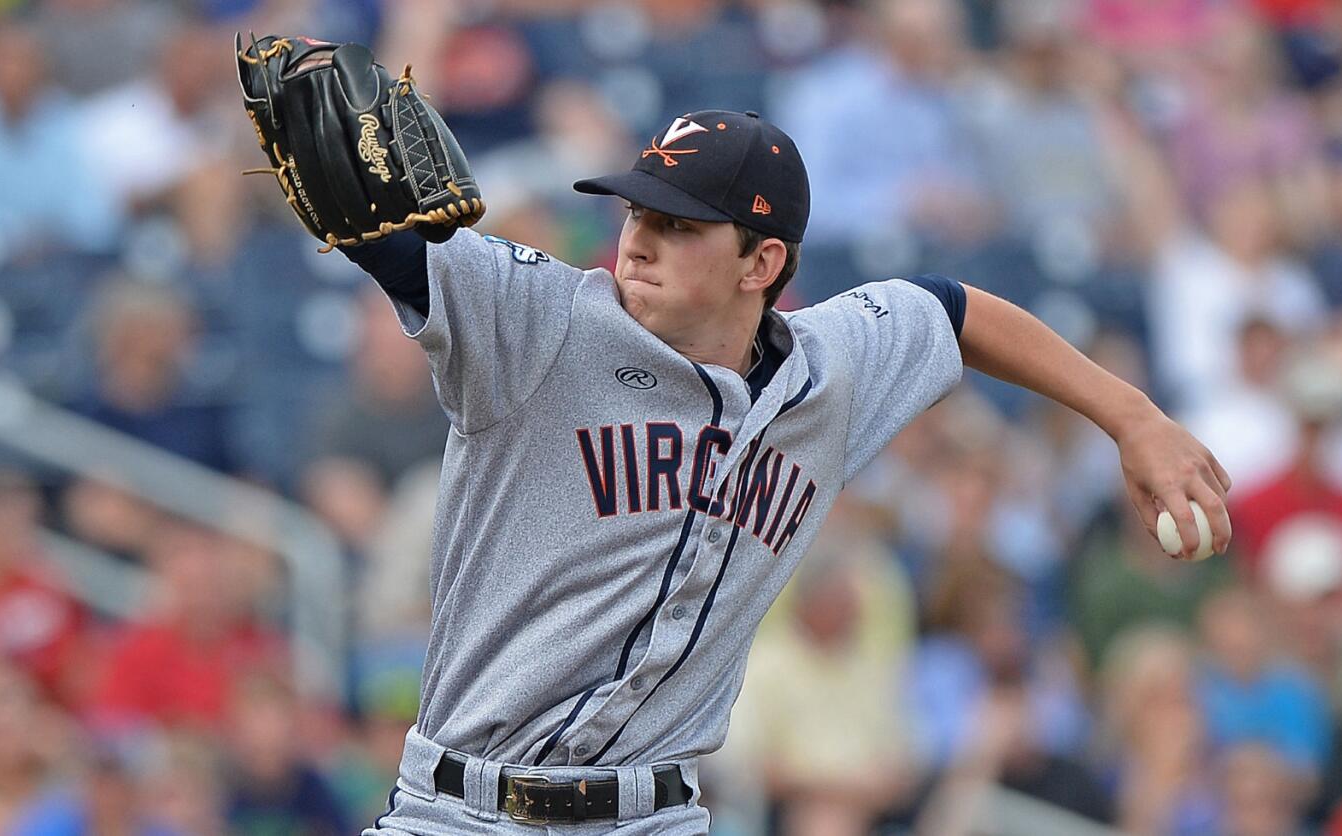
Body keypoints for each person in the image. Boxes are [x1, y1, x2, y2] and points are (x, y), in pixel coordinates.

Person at [277, 91, 1230, 831]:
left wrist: (1132, 418)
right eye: (636, 212)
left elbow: (950, 309)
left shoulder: (834, 371)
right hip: (465, 810)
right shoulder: (540, 322)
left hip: (658, 815)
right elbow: (409, 254)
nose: (638, 241)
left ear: (761, 262)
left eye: (678, 225)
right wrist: (360, 198)